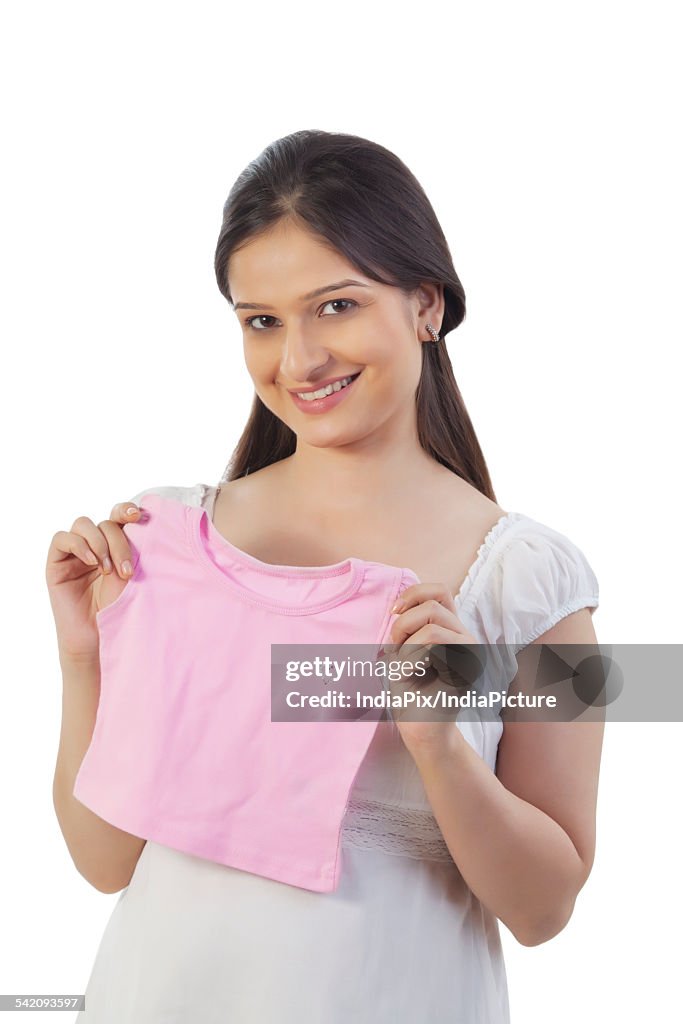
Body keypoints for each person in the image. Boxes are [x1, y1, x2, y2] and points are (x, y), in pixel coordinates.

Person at [48, 129, 603, 1023]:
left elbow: (546, 909)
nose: (298, 360)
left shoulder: (543, 581)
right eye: (261, 320)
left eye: (335, 306)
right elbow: (106, 864)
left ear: (426, 303)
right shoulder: (162, 536)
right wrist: (84, 659)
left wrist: (438, 745)